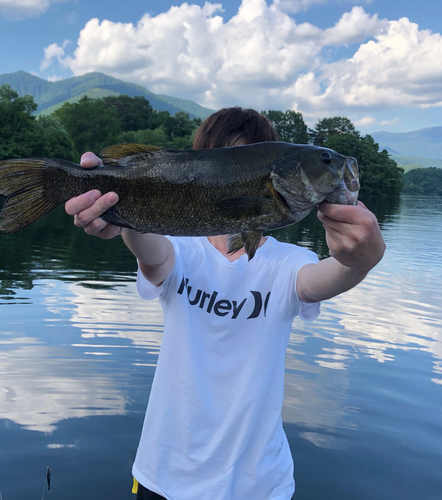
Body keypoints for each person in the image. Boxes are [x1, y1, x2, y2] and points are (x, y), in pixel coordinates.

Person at [65, 108, 385, 500]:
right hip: (163, 474)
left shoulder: (289, 263)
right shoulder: (180, 250)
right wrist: (122, 219)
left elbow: (323, 279)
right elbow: (153, 255)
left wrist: (360, 260)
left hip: (257, 485)